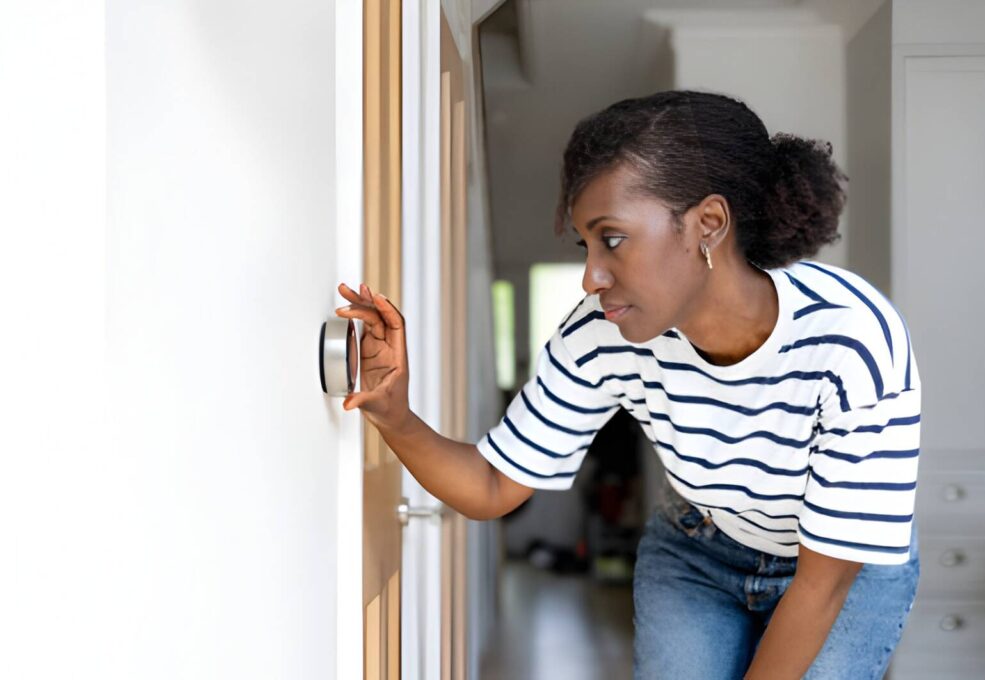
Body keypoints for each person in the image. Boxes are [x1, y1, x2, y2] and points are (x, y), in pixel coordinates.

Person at [334, 89, 921, 680]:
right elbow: (491, 486)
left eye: (611, 239)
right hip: (699, 548)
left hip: (840, 569)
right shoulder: (600, 333)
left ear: (707, 225)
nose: (592, 277)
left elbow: (825, 581)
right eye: (585, 246)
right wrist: (394, 415)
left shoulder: (851, 340)